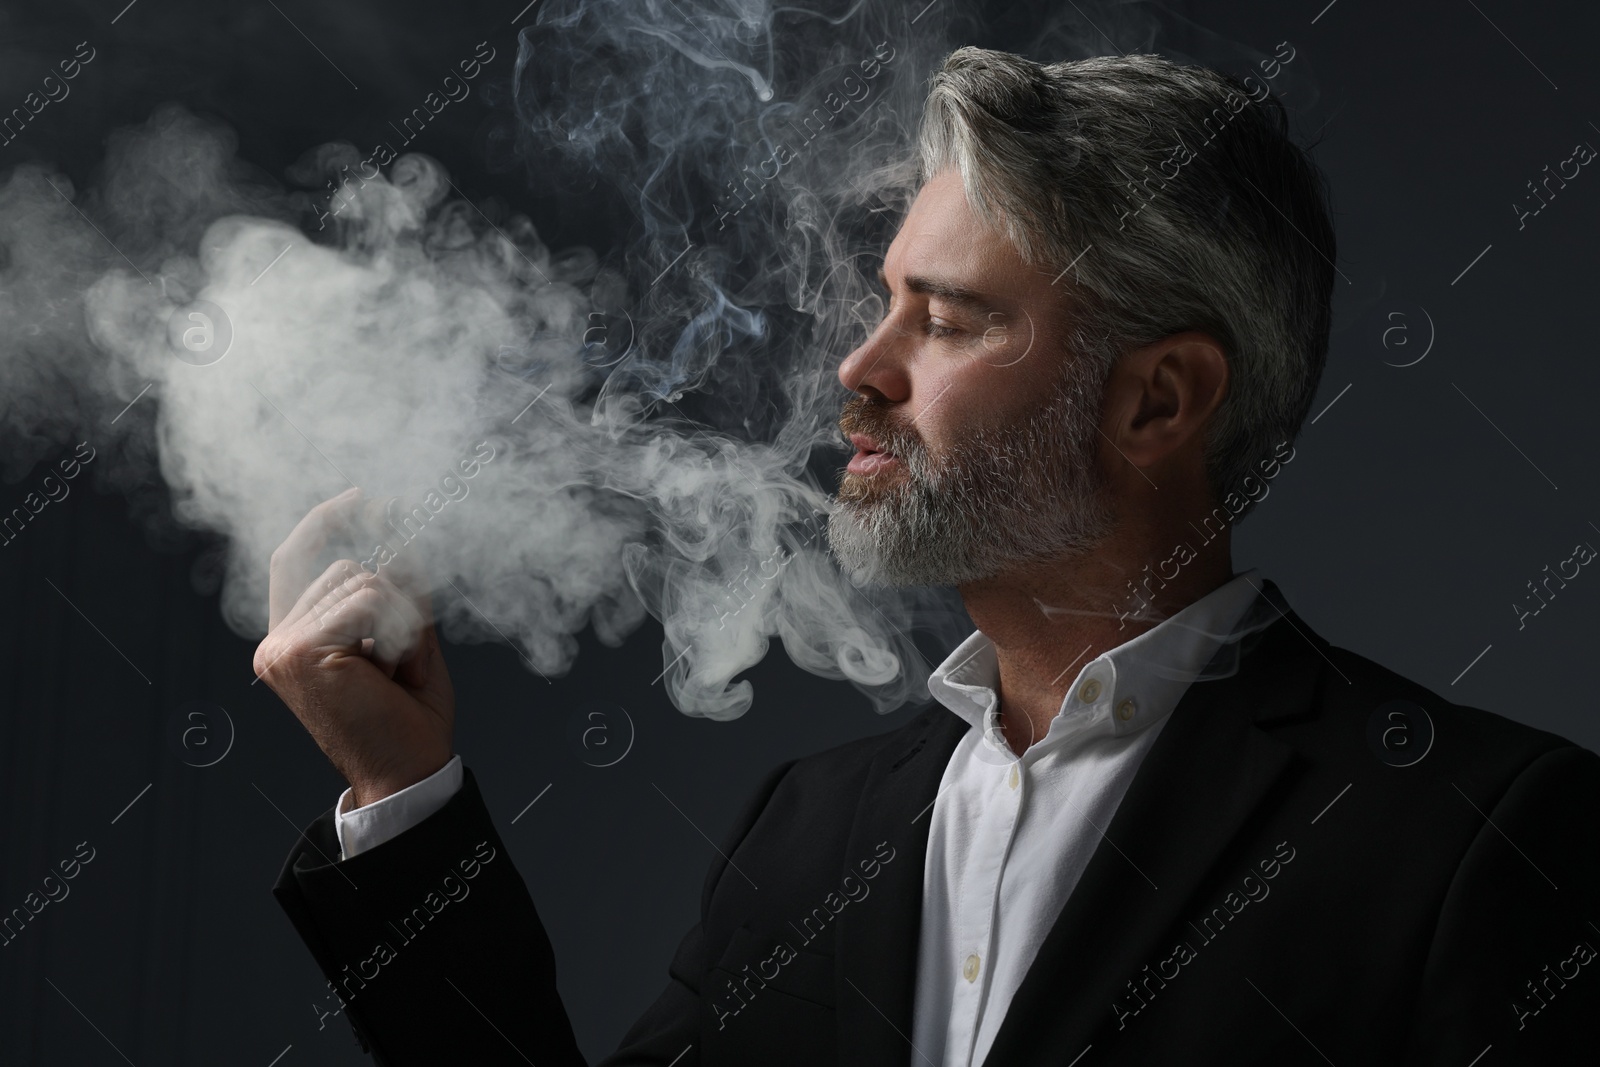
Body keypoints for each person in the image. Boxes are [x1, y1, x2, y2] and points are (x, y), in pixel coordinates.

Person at [256, 46, 1599, 1066]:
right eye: (883, 304)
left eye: (947, 323)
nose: (859, 369)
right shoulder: (812, 828)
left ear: (1157, 402)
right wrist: (403, 786)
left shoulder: (1479, 837)